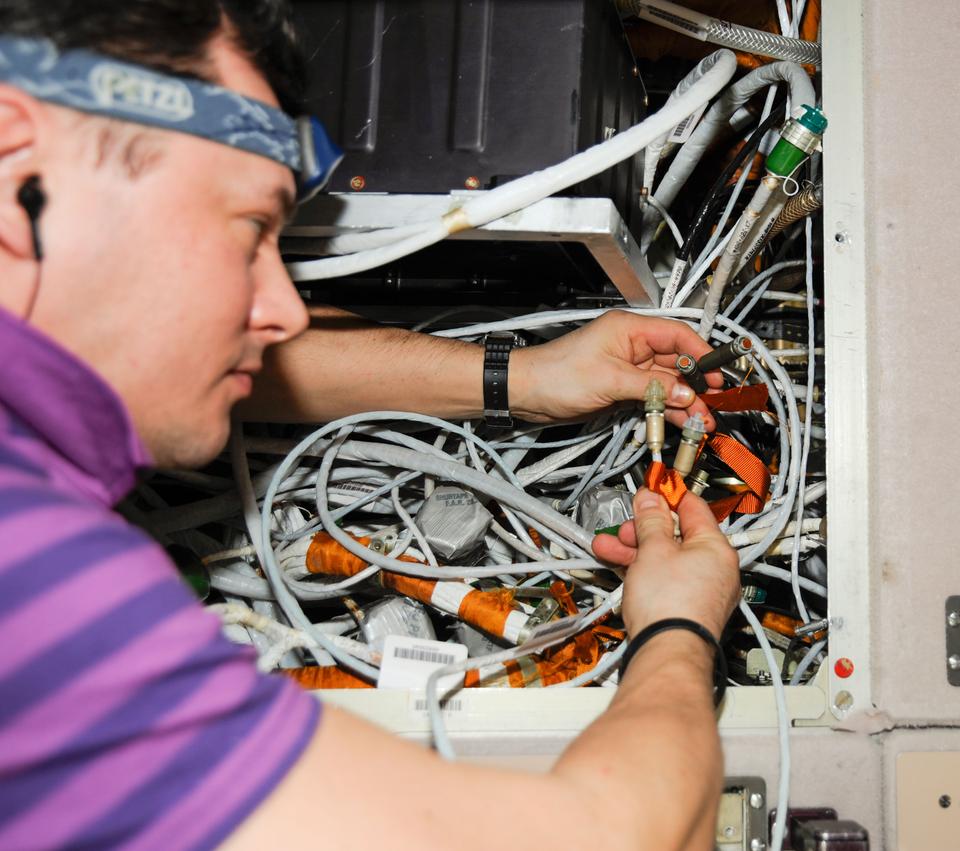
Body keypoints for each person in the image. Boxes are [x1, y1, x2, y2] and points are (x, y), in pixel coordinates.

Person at [0, 2, 741, 849]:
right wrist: (679, 628)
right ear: (17, 166)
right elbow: (618, 837)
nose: (286, 311)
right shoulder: (32, 578)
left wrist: (527, 379)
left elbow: (196, 355)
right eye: (249, 230)